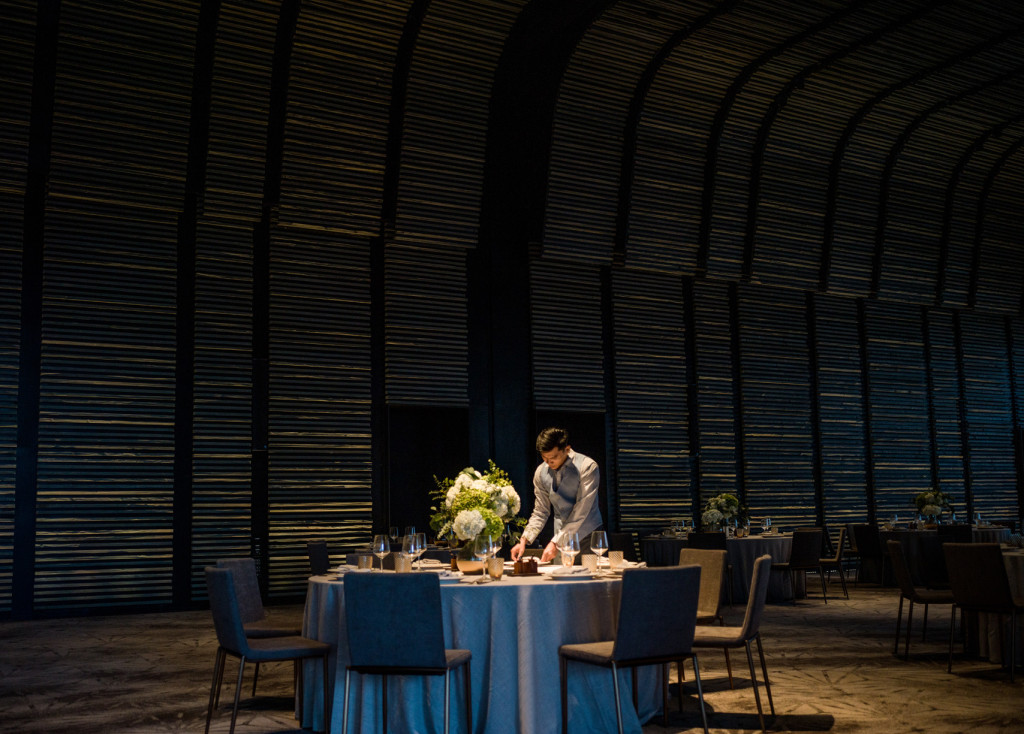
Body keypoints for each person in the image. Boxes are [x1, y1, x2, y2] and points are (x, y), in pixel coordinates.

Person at [510, 427, 603, 564]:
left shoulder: (587, 466)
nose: (548, 462)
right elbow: (541, 511)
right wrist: (524, 539)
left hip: (587, 537)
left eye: (553, 457)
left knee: (588, 581)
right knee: (562, 581)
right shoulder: (540, 472)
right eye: (544, 458)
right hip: (559, 538)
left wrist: (555, 542)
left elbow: (582, 510)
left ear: (567, 449)